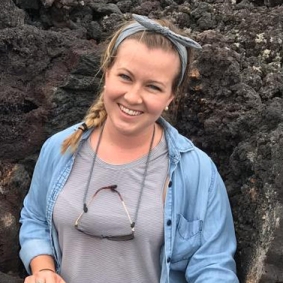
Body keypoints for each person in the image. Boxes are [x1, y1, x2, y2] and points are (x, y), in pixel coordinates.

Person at [19, 14, 239, 283]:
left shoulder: (197, 172)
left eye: (153, 87)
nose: (133, 97)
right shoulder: (60, 148)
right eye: (125, 77)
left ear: (171, 96)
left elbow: (214, 268)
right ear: (107, 71)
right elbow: (35, 219)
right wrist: (43, 270)